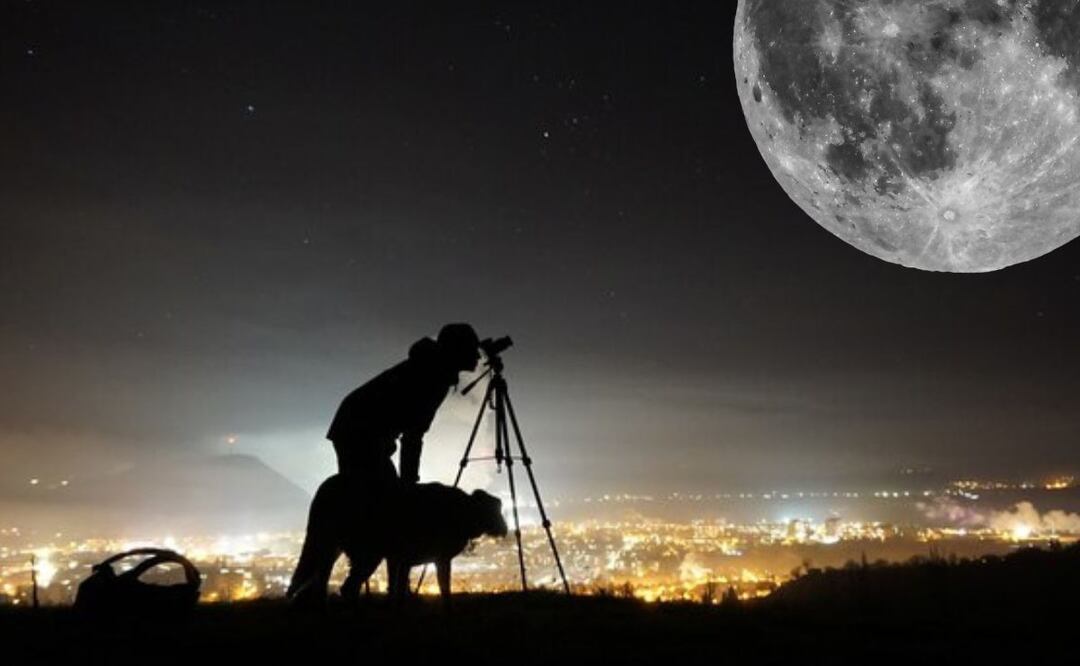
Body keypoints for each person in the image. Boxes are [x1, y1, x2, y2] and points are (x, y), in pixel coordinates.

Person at [326, 322, 481, 487]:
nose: (478, 356)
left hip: (355, 425)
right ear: (458, 350)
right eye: (472, 350)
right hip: (358, 429)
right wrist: (409, 483)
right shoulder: (433, 376)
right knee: (376, 493)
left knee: (374, 491)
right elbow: (413, 435)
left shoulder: (431, 367)